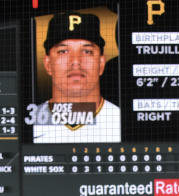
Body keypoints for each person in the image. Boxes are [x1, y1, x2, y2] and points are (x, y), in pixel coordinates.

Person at [33, 12, 121, 143]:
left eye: (87, 51)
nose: (75, 61)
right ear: (48, 64)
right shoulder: (29, 124)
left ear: (101, 63)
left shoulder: (123, 122)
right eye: (63, 51)